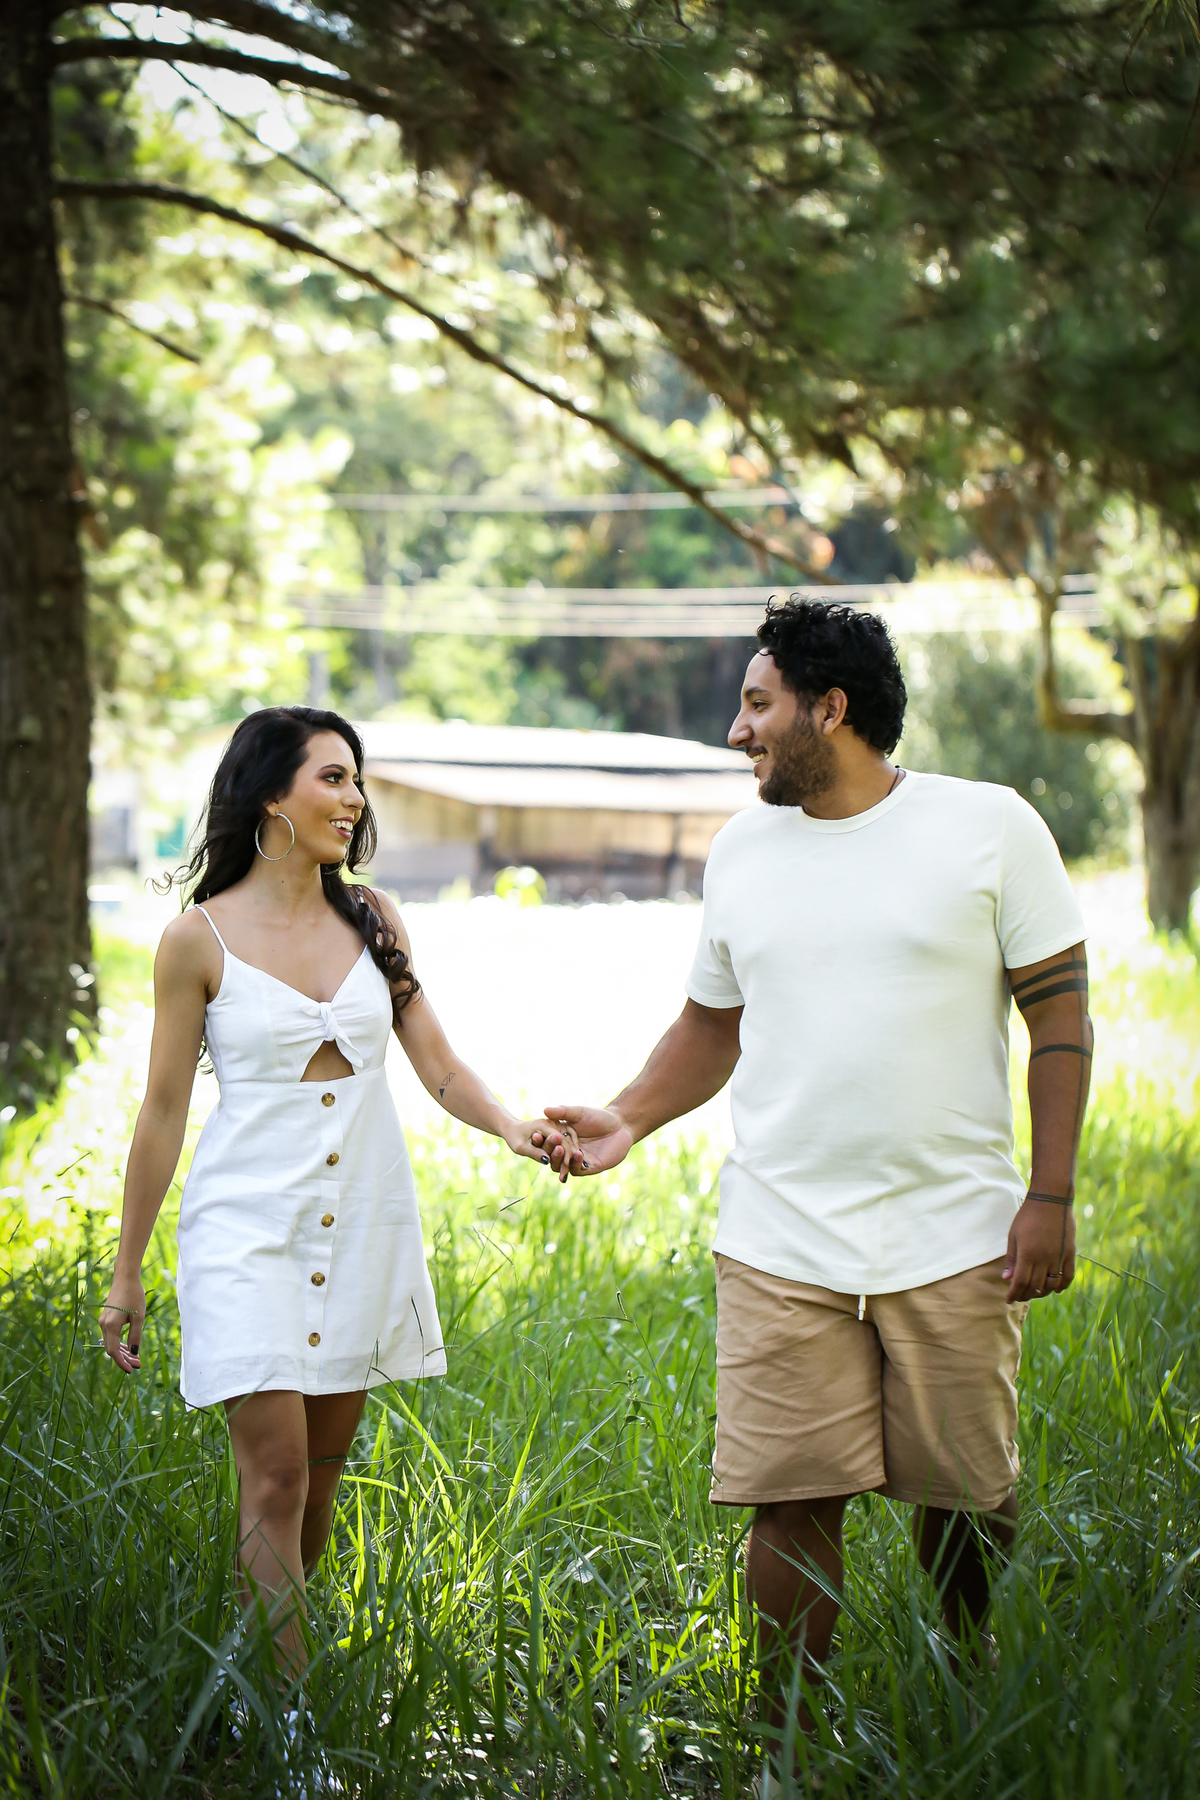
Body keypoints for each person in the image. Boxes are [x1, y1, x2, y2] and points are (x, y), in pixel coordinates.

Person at [535, 598, 1092, 1776]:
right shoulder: (743, 850)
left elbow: (1061, 1021)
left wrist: (1050, 1194)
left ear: (827, 711)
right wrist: (628, 1116)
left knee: (964, 1498)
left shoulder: (990, 827)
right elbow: (709, 1023)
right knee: (788, 1501)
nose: (738, 731)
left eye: (757, 703)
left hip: (955, 1233)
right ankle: (784, 1737)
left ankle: (966, 1682)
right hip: (780, 1234)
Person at [100, 706, 557, 1683]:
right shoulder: (197, 940)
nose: (353, 799)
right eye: (333, 778)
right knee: (269, 1476)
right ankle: (293, 1739)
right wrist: (126, 1268)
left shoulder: (374, 920)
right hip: (244, 1229)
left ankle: (258, 1683)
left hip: (363, 1227)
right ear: (273, 793)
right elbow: (163, 1112)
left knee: (312, 1487)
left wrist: (512, 1126)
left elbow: (435, 1065)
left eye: (357, 780)